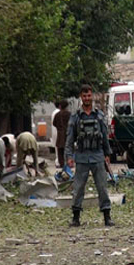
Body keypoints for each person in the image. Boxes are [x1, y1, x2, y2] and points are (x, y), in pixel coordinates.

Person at [65, 84, 114, 227]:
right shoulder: (75, 117)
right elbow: (69, 139)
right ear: (81, 97)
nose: (87, 98)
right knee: (78, 188)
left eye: (89, 95)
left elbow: (105, 137)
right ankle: (75, 218)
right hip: (81, 156)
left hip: (97, 155)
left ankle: (107, 216)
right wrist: (69, 156)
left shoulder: (99, 116)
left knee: (102, 187)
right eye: (84, 96)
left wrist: (107, 154)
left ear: (92, 96)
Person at [53, 100, 71, 168]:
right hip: (68, 134)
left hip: (60, 135)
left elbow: (54, 123)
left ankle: (62, 164)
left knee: (60, 151)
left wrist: (59, 128)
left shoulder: (57, 115)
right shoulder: (69, 114)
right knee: (68, 150)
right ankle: (69, 163)